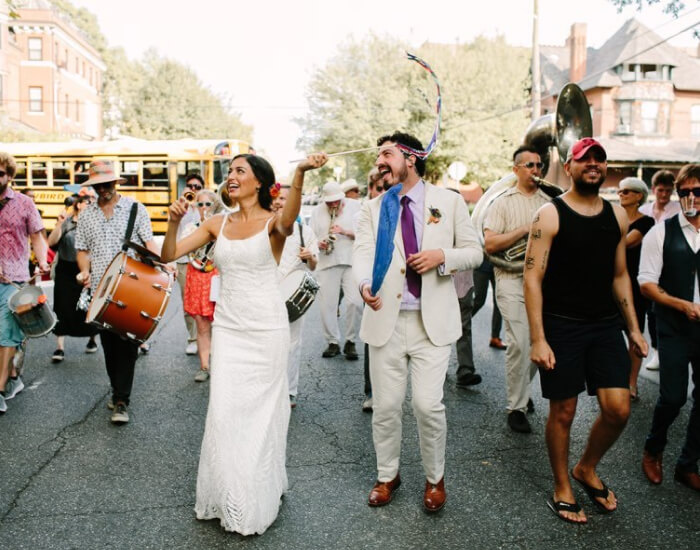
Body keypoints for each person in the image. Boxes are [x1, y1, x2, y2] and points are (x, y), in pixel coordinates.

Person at [161, 152, 327, 535]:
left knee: (261, 416)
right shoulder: (216, 223)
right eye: (230, 171)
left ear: (259, 183)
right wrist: (171, 224)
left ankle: (254, 494)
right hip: (230, 330)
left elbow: (289, 219)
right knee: (223, 412)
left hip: (267, 330)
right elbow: (169, 254)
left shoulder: (274, 224)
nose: (231, 176)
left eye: (240, 171)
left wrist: (298, 171)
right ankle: (228, 494)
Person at [354, 132, 482, 512]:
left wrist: (442, 255)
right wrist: (363, 283)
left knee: (428, 406)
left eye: (387, 154)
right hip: (385, 321)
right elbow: (362, 253)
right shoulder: (373, 208)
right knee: (387, 406)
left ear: (410, 158)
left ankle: (435, 478)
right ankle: (387, 475)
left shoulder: (450, 201)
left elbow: (475, 252)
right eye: (379, 155)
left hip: (433, 324)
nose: (380, 161)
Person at [523, 138, 647, 524]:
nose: (593, 164)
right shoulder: (550, 214)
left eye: (599, 159)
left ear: (605, 168)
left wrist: (634, 330)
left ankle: (586, 468)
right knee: (563, 411)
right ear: (571, 167)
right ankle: (562, 485)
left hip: (604, 326)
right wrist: (539, 337)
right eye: (584, 159)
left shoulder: (617, 217)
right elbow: (532, 277)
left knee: (618, 408)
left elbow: (620, 275)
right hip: (561, 327)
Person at [75, 160, 160, 425]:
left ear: (116, 182)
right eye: (98, 185)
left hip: (132, 288)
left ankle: (122, 400)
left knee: (129, 345)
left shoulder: (136, 208)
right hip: (101, 290)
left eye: (107, 184)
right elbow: (82, 250)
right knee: (110, 347)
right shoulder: (87, 215)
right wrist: (83, 271)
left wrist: (163, 264)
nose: (103, 190)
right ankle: (117, 390)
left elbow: (148, 243)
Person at [639, 163, 700, 492]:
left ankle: (688, 463)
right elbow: (646, 284)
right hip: (674, 325)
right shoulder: (661, 232)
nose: (691, 197)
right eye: (685, 192)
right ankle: (653, 448)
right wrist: (683, 306)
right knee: (673, 397)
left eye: (697, 191)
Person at [483, 145, 551, 433]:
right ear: (516, 170)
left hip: (544, 283)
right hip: (510, 279)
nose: (536, 170)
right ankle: (516, 407)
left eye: (538, 165)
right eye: (529, 165)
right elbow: (490, 244)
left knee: (539, 342)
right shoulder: (501, 203)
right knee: (519, 343)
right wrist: (524, 230)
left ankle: (521, 392)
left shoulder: (550, 203)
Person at [0, 152, 49, 414]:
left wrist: (42, 261)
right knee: (10, 337)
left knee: (5, 334)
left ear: (9, 175)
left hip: (15, 278)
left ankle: (0, 388)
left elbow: (38, 237)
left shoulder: (24, 203)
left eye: (0, 173)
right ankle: (14, 376)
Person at [273, 183, 319, 408]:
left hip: (292, 296)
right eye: (277, 198)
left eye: (285, 199)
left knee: (292, 344)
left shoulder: (304, 232)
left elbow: (313, 265)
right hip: (265, 293)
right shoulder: (264, 227)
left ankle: (289, 390)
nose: (280, 202)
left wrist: (310, 256)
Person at [310, 180, 362, 360]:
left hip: (351, 260)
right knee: (327, 305)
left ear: (341, 197)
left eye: (335, 201)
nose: (332, 204)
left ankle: (351, 341)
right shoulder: (317, 212)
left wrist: (345, 231)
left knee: (355, 302)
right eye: (329, 202)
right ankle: (332, 342)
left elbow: (366, 233)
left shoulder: (356, 206)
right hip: (327, 261)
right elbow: (310, 237)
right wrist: (319, 243)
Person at [47, 193, 99, 363]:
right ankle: (60, 347)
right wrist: (60, 223)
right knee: (62, 307)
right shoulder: (67, 221)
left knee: (88, 307)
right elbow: (51, 242)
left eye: (93, 202)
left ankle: (92, 339)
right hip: (65, 270)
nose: (91, 204)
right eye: (87, 202)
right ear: (78, 205)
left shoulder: (94, 223)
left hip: (87, 270)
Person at [639, 170, 681, 371]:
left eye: (668, 191)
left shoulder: (678, 209)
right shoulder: (645, 210)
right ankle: (656, 351)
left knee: (668, 309)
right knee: (651, 312)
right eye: (661, 190)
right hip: (649, 265)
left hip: (671, 264)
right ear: (654, 189)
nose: (664, 195)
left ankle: (671, 352)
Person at [617, 177, 654, 400]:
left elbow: (629, 242)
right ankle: (617, 380)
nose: (621, 195)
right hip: (612, 282)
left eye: (627, 192)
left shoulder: (646, 222)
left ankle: (631, 383)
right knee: (611, 333)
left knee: (634, 333)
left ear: (639, 196)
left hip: (635, 284)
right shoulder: (615, 218)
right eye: (620, 192)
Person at [182, 188, 223, 382]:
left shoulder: (224, 226)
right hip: (197, 276)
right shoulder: (191, 227)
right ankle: (204, 366)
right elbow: (185, 249)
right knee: (201, 325)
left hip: (217, 276)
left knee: (222, 323)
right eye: (201, 204)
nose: (204, 208)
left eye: (208, 204)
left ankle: (222, 365)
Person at [359, 168, 385, 412]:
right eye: (376, 188)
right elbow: (362, 251)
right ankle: (372, 392)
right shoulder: (367, 211)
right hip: (374, 281)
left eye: (384, 188)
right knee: (373, 338)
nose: (380, 193)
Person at [176, 174, 204, 356]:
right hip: (184, 261)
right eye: (190, 186)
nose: (193, 189)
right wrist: (183, 204)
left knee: (204, 302)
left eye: (197, 187)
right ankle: (192, 339)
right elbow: (173, 226)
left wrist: (199, 206)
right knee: (188, 303)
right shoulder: (180, 206)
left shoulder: (205, 206)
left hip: (202, 260)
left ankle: (205, 338)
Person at [472, 259, 506, 349]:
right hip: (482, 265)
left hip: (499, 266)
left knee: (499, 302)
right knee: (479, 300)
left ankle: (495, 337)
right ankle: (460, 323)